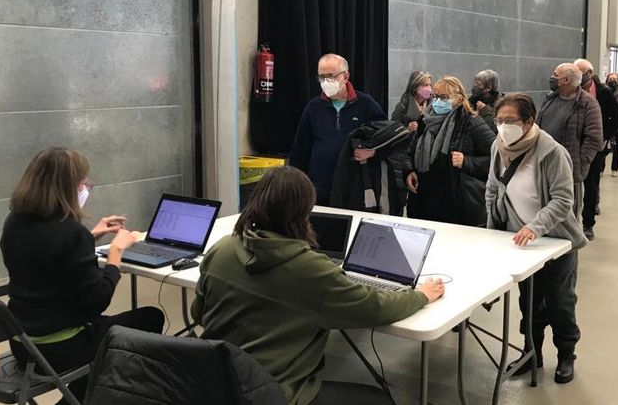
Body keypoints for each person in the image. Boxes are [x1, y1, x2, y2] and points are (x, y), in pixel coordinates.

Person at [192, 166, 444, 405]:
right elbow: (376, 307)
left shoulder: (222, 248)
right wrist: (420, 295)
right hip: (272, 393)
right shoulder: (310, 269)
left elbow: (198, 313)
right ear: (302, 213)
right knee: (379, 398)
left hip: (213, 382)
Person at [0, 147, 164, 402]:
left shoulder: (15, 222)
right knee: (151, 317)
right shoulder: (70, 233)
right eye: (83, 183)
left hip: (23, 345)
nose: (85, 188)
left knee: (100, 350)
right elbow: (97, 301)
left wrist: (90, 235)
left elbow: (47, 260)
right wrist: (115, 254)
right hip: (60, 349)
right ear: (67, 188)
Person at [485, 94, 588, 385]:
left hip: (555, 241)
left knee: (559, 302)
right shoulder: (498, 146)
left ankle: (566, 354)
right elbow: (492, 188)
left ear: (529, 121)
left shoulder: (551, 152)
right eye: (499, 120)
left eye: (511, 121)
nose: (504, 126)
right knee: (529, 302)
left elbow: (563, 199)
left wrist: (536, 226)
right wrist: (493, 227)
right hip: (521, 243)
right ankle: (532, 353)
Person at [291, 53, 387, 206]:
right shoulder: (313, 108)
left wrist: (373, 152)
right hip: (319, 191)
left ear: (345, 76)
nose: (326, 81)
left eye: (330, 76)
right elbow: (300, 150)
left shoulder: (366, 105)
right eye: (321, 77)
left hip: (355, 191)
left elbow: (387, 139)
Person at [405, 76, 496, 227]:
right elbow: (410, 151)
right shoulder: (425, 120)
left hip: (457, 204)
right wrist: (409, 171)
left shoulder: (471, 122)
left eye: (444, 97)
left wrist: (467, 162)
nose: (438, 101)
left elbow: (496, 159)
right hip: (426, 200)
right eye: (435, 96)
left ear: (459, 98)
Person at [537, 63, 603, 220]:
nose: (551, 78)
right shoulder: (550, 99)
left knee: (566, 216)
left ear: (566, 80)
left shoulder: (588, 104)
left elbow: (594, 139)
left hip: (569, 169)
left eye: (555, 75)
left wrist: (579, 164)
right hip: (543, 164)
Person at [574, 59, 618, 240]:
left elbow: (617, 117)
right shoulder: (571, 91)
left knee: (591, 184)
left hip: (595, 146)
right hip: (573, 145)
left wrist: (604, 137)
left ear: (589, 73)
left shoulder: (603, 93)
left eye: (579, 72)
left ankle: (588, 223)